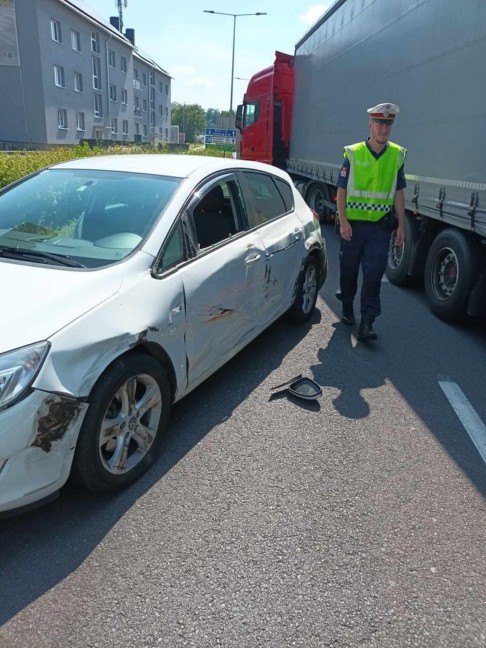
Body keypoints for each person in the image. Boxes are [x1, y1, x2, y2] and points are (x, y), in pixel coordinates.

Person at [335, 102, 407, 340]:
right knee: (348, 271)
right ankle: (347, 306)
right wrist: (343, 221)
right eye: (379, 124)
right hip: (353, 226)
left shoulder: (396, 155)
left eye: (388, 125)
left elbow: (398, 192)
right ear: (370, 125)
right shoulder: (354, 153)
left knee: (373, 275)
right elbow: (342, 189)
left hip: (379, 228)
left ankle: (367, 322)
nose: (383, 130)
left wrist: (401, 226)